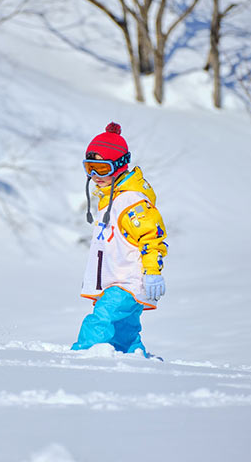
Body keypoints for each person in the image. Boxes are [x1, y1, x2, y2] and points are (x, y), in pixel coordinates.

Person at [71, 122, 167, 357]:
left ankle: (82, 354)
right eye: (90, 167)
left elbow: (152, 237)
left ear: (120, 165)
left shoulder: (131, 201)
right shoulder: (111, 197)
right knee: (124, 332)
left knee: (102, 318)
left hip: (128, 282)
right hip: (117, 282)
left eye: (101, 169)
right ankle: (136, 358)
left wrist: (153, 272)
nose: (94, 176)